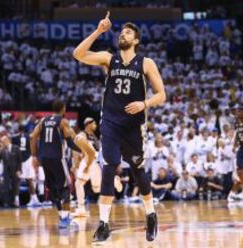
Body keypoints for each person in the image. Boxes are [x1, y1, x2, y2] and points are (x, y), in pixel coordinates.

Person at [73, 11, 166, 242]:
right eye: (121, 31)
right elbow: (78, 54)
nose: (122, 34)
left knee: (137, 170)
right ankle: (103, 224)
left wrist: (144, 103)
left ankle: (151, 214)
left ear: (136, 40)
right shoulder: (108, 58)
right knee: (108, 167)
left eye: (128, 32)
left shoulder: (146, 63)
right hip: (111, 123)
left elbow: (162, 95)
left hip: (133, 126)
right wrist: (98, 31)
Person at [30, 100, 84, 228]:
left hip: (44, 158)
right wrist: (82, 150)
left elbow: (32, 137)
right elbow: (70, 142)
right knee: (66, 187)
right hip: (57, 157)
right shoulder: (62, 121)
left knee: (53, 188)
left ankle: (62, 215)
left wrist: (34, 156)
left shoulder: (43, 121)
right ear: (63, 108)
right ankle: (65, 219)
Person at [71, 117, 98, 217]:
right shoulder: (85, 135)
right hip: (93, 162)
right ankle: (81, 209)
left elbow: (89, 152)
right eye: (94, 123)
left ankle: (81, 208)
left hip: (92, 162)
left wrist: (87, 164)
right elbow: (83, 151)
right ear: (88, 124)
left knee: (80, 184)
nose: (96, 126)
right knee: (93, 188)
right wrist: (78, 162)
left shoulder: (92, 136)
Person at [12, 125, 43, 207]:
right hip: (28, 159)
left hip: (19, 160)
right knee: (29, 180)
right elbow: (33, 148)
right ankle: (34, 199)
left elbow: (13, 150)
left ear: (18, 130)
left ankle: (16, 200)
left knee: (17, 181)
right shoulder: (29, 137)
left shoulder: (14, 138)